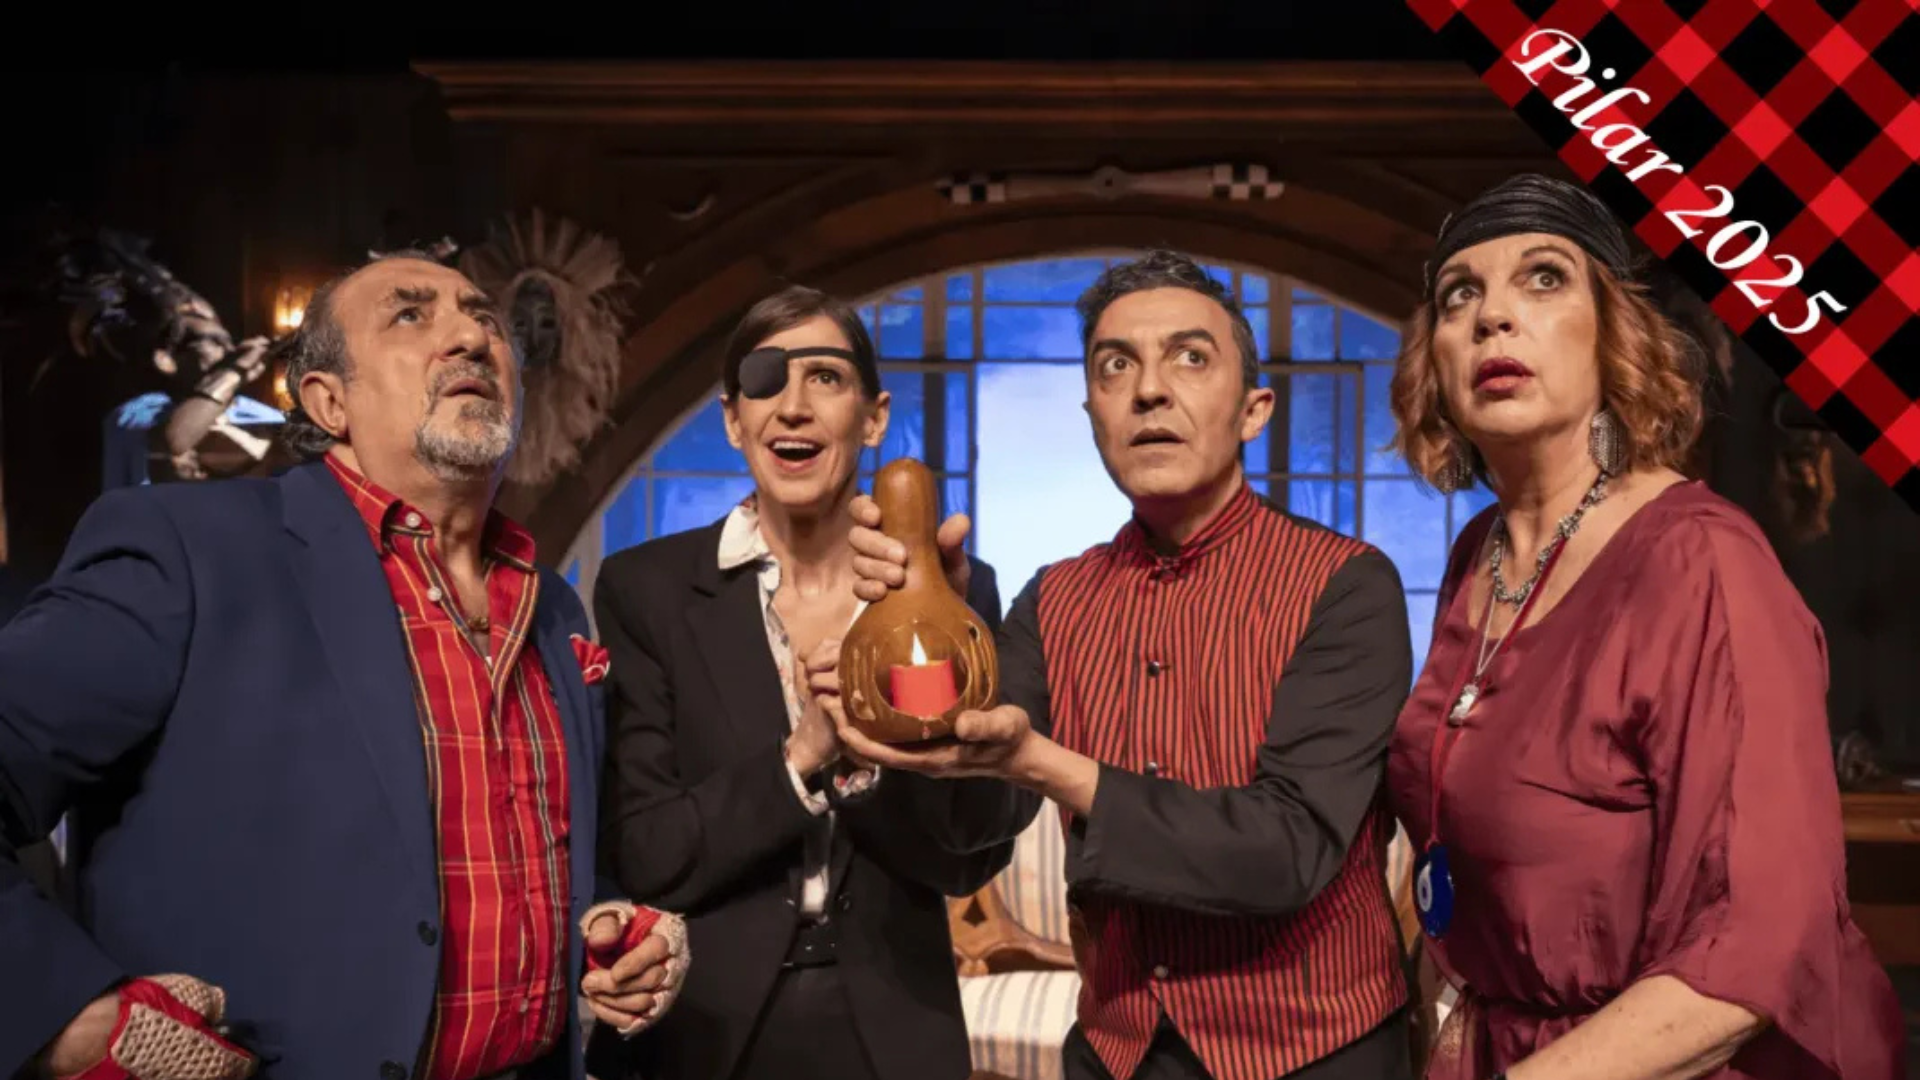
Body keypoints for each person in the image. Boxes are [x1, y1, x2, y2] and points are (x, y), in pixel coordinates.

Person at [0, 251, 683, 1080]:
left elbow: (521, 853)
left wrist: (604, 923)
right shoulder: (189, 552)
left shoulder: (554, 608)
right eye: (411, 315)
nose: (471, 336)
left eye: (485, 320)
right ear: (330, 402)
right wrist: (63, 1014)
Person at [837, 251, 1417, 1080]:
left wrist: (1051, 766)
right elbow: (969, 834)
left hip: (1318, 1050)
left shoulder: (1346, 585)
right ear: (1092, 413)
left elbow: (1286, 850)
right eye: (1116, 366)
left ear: (1254, 410)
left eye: (1190, 358)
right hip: (1117, 1051)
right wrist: (934, 646)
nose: (1148, 390)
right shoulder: (1055, 598)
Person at [1380, 173, 1904, 1078]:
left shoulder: (1704, 562)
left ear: (1613, 336)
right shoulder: (1481, 552)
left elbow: (1760, 945)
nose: (1492, 316)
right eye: (1459, 295)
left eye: (1544, 278)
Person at [589, 285, 1026, 1080]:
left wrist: (873, 750)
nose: (792, 406)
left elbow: (968, 854)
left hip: (894, 1032)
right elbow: (646, 850)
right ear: (734, 420)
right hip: (704, 1034)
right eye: (764, 381)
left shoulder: (951, 593)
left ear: (873, 417)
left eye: (825, 377)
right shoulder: (645, 591)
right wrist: (804, 756)